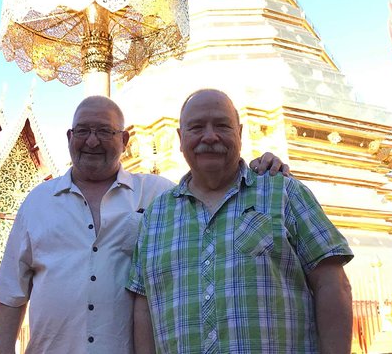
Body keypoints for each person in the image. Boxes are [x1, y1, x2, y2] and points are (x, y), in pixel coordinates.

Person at [0, 95, 289, 354]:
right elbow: (12, 292)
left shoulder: (161, 194)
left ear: (125, 141)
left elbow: (216, 201)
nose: (92, 141)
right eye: (83, 131)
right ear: (70, 137)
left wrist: (260, 170)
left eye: (105, 131)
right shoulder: (38, 202)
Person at [128, 89, 354, 354]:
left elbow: (332, 284)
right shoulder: (156, 215)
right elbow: (144, 307)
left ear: (240, 133)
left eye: (222, 125)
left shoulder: (283, 192)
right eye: (196, 127)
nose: (210, 136)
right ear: (180, 138)